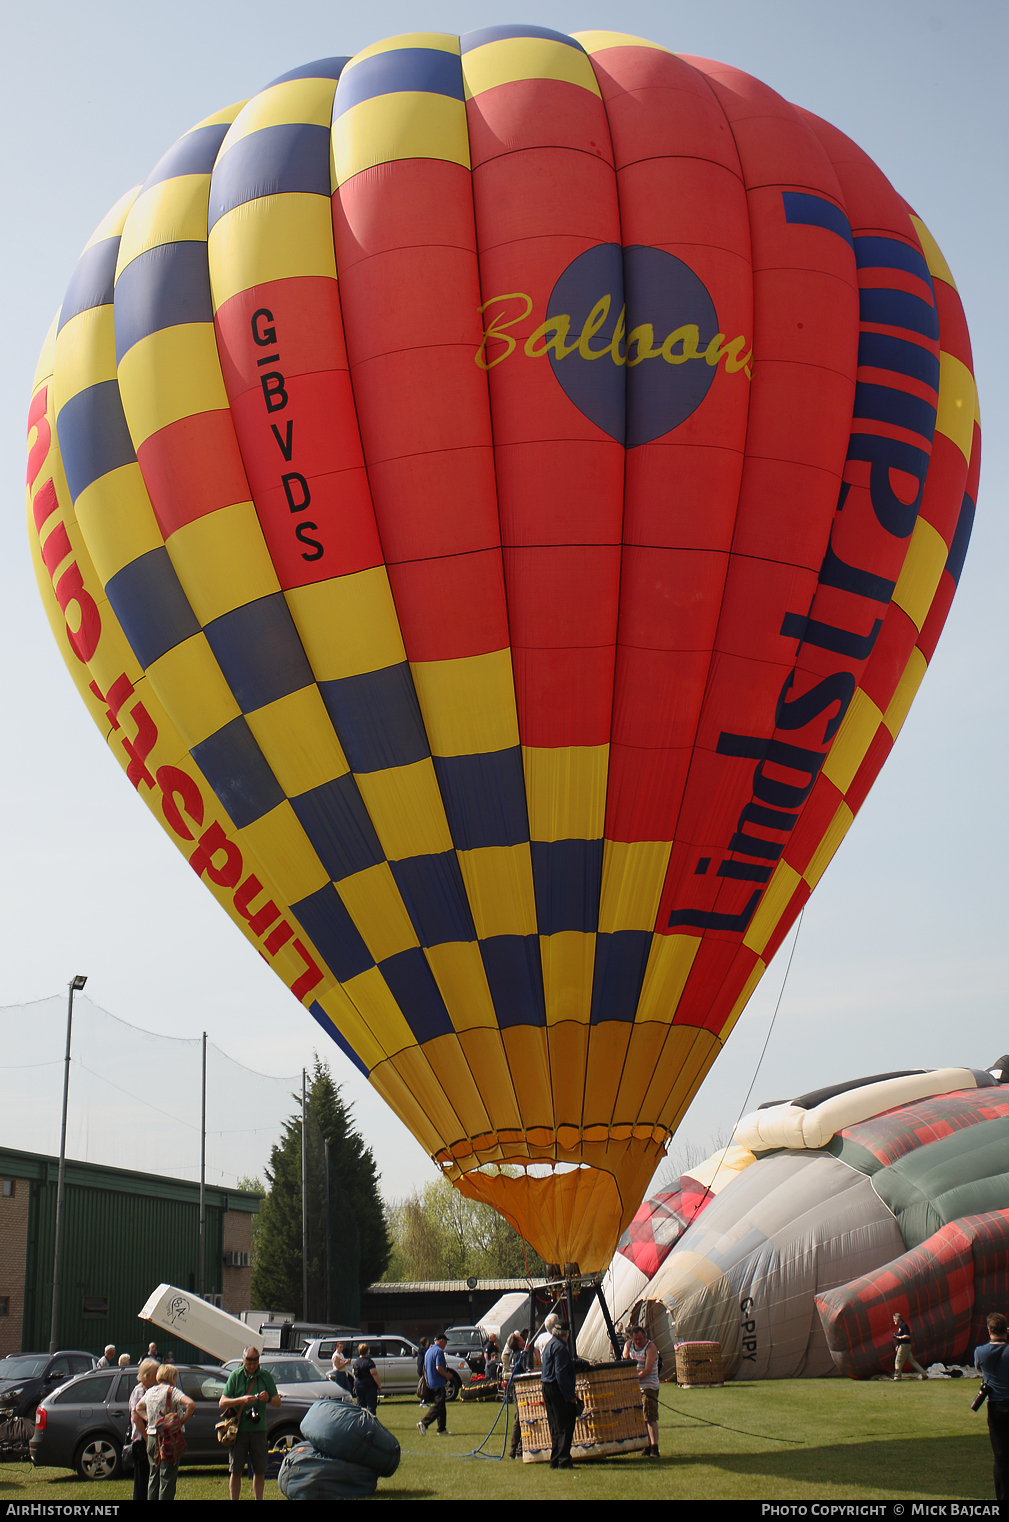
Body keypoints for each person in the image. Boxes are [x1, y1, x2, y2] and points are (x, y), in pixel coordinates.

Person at [219, 1346, 281, 1501]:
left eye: (255, 1362)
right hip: (239, 1430)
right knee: (236, 1470)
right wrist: (242, 1400)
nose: (252, 1366)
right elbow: (222, 1402)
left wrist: (267, 1399)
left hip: (259, 1429)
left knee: (259, 1470)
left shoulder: (265, 1376)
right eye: (249, 1362)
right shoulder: (236, 1375)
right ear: (243, 1359)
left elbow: (278, 1402)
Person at [137, 1364, 194, 1502]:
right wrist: (181, 1422)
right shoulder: (172, 1391)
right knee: (167, 1477)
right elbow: (191, 1404)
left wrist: (150, 1420)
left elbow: (139, 1407)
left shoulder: (150, 1391)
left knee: (153, 1476)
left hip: (151, 1437)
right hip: (169, 1438)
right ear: (172, 1377)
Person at [540, 1315, 587, 1470]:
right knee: (565, 1425)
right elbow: (561, 1374)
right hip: (557, 1388)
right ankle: (564, 1461)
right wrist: (571, 1397)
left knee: (555, 1426)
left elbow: (560, 1365)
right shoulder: (561, 1348)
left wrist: (580, 1363)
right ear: (567, 1334)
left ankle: (554, 1460)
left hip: (546, 1386)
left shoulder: (550, 1344)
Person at [975, 1312, 1009, 1500]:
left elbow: (979, 1368)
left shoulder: (980, 1352)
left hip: (995, 1406)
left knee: (1000, 1458)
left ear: (989, 1331)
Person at [624, 1325, 660, 1457]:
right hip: (636, 1387)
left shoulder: (650, 1348)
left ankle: (654, 1446)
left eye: (640, 1339)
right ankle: (647, 1445)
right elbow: (624, 1360)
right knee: (641, 1417)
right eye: (635, 1339)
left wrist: (633, 1377)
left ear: (645, 1337)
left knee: (650, 1417)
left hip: (648, 1386)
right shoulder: (629, 1345)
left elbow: (647, 1370)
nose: (637, 1342)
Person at [128, 1359, 159, 1503]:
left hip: (148, 1439)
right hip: (141, 1441)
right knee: (142, 1479)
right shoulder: (139, 1391)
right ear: (147, 1375)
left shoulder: (150, 1390)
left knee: (149, 1478)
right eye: (156, 1373)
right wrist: (147, 1439)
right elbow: (136, 1416)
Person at [417, 1335, 451, 1436]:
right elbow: (438, 1367)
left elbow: (424, 1367)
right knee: (438, 1406)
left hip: (431, 1382)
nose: (446, 1345)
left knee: (442, 1406)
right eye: (445, 1342)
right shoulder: (439, 1351)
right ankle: (424, 1423)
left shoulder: (429, 1350)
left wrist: (427, 1379)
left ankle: (441, 1428)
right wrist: (446, 1375)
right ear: (441, 1341)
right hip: (438, 1382)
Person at [892, 1312, 928, 1380]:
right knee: (912, 1361)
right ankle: (924, 1374)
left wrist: (898, 1338)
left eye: (894, 1319)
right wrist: (898, 1344)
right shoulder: (901, 1326)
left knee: (898, 1361)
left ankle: (897, 1377)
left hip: (904, 1346)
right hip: (905, 1345)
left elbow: (907, 1336)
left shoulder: (903, 1326)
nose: (894, 1321)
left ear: (898, 1318)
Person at [351, 1342, 382, 1416]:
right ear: (367, 1351)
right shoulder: (369, 1362)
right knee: (371, 1405)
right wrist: (379, 1385)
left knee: (361, 1405)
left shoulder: (356, 1362)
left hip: (358, 1384)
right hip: (369, 1385)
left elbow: (354, 1373)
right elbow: (374, 1374)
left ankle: (362, 1421)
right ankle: (371, 1421)